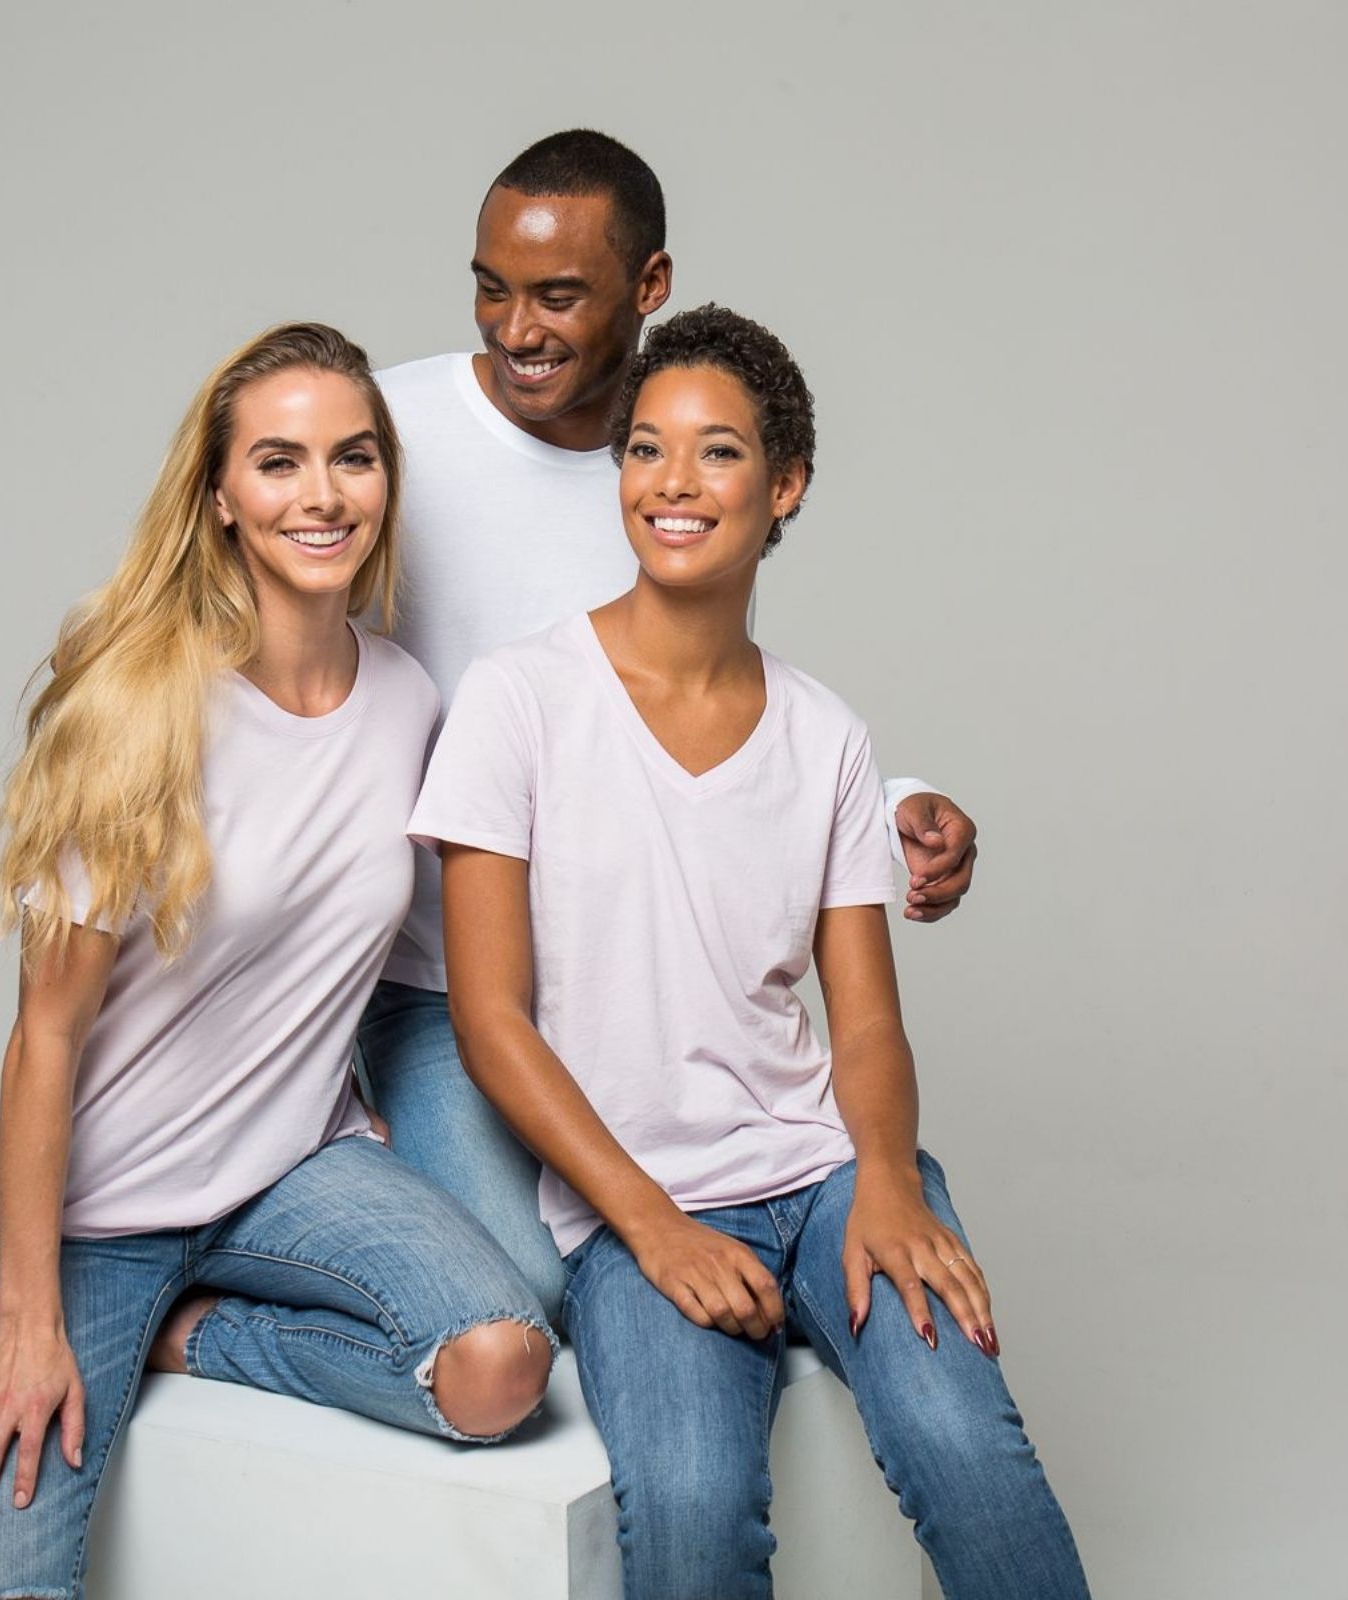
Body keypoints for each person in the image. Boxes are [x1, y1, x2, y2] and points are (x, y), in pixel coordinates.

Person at [411, 305, 1091, 1598]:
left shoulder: (827, 736)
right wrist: (654, 1229)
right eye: (645, 449)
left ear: (783, 486)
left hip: (823, 1169)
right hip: (633, 1204)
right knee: (688, 1510)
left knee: (963, 1442)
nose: (672, 483)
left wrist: (887, 1176)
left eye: (716, 453)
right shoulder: (518, 701)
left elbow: (867, 1022)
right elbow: (491, 1019)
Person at [0, 323, 554, 1600]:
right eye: (278, 462)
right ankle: (115, 1313)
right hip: (94, 1214)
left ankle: (200, 1336)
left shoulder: (406, 702)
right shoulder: (138, 710)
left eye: (353, 459)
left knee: (500, 1364)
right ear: (219, 496)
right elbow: (43, 1036)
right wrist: (27, 1315)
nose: (321, 496)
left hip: (291, 1173)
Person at [362, 129, 982, 1321]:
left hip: (616, 996)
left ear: (649, 289)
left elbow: (695, 701)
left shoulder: (675, 475)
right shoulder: (392, 435)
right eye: (491, 289)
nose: (516, 329)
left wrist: (886, 802)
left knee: (668, 1282)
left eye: (558, 296)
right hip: (436, 986)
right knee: (533, 1288)